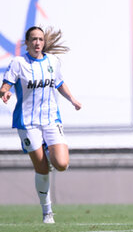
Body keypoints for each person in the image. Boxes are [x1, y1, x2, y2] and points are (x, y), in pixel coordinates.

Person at [0, 26, 81, 224]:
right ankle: (47, 212)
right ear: (26, 43)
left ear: (44, 42)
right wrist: (5, 93)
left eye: (40, 39)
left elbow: (59, 83)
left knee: (61, 164)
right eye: (33, 39)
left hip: (51, 119)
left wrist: (72, 99)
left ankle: (47, 149)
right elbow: (6, 84)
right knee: (42, 168)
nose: (37, 42)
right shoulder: (18, 63)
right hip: (28, 123)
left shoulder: (53, 61)